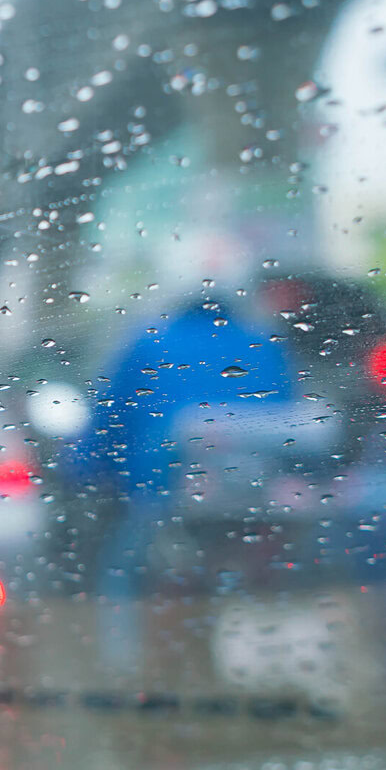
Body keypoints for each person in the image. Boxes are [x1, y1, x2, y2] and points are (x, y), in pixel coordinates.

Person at [63, 287, 295, 671]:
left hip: (164, 499)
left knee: (120, 576)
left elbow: (106, 428)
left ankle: (121, 671)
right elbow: (287, 421)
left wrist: (79, 471)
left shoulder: (146, 343)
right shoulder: (264, 344)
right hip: (254, 507)